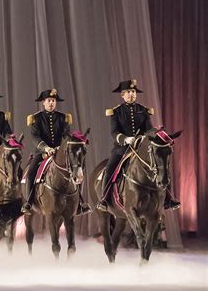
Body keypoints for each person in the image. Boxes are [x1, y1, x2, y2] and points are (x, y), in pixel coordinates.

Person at [96, 79, 180, 211]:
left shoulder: (143, 110)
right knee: (110, 168)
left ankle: (169, 199)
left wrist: (157, 133)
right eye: (128, 92)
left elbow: (149, 129)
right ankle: (104, 199)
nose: (131, 94)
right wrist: (125, 139)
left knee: (162, 165)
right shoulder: (116, 112)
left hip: (141, 147)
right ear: (122, 95)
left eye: (133, 92)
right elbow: (114, 132)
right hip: (122, 148)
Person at [23, 89, 91, 216]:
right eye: (49, 101)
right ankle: (29, 202)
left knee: (77, 169)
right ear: (43, 102)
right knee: (31, 172)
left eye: (53, 101)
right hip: (42, 153)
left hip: (60, 152)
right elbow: (35, 137)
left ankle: (79, 203)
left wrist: (59, 148)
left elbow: (65, 136)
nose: (51, 103)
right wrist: (46, 148)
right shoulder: (36, 118)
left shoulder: (63, 118)